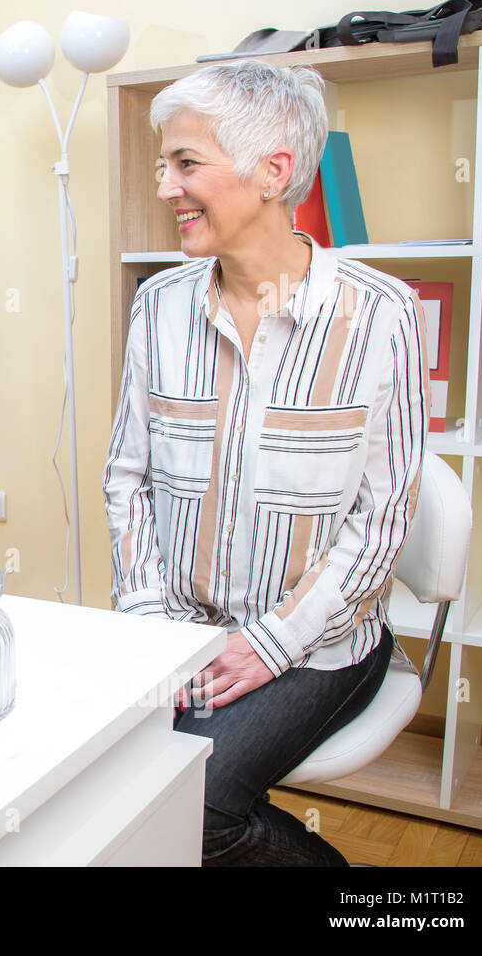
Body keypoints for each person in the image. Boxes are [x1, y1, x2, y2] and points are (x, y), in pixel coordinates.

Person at [103, 60, 428, 865]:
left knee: (194, 802)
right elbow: (127, 480)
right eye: (162, 163)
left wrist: (269, 645)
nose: (165, 184)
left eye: (186, 163)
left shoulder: (381, 316)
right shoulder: (159, 306)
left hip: (318, 646)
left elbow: (382, 520)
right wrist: (150, 629)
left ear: (273, 172)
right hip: (180, 631)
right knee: (101, 777)